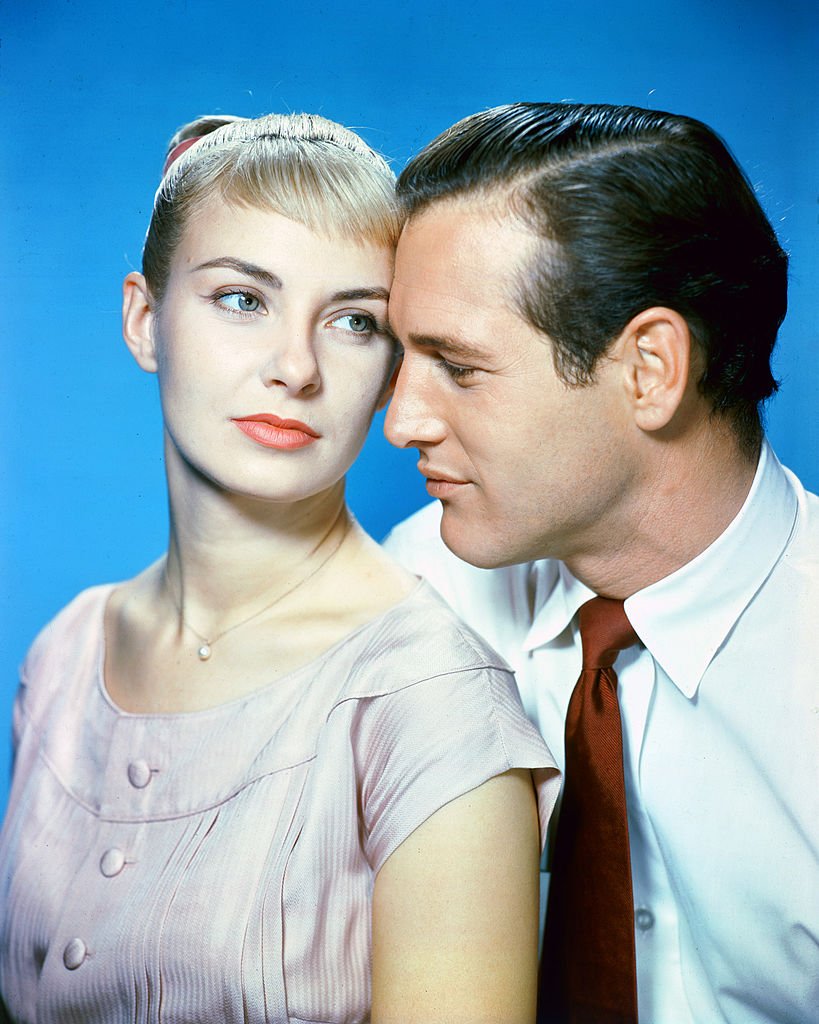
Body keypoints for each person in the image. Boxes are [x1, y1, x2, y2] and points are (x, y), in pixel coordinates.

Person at [0, 111, 560, 1024]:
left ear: (389, 372)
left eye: (351, 321)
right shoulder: (67, 651)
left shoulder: (432, 703)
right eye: (242, 299)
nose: (294, 368)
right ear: (145, 319)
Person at [383, 102, 819, 1024]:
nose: (399, 422)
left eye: (457, 367)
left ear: (650, 369)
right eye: (399, 357)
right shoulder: (419, 588)